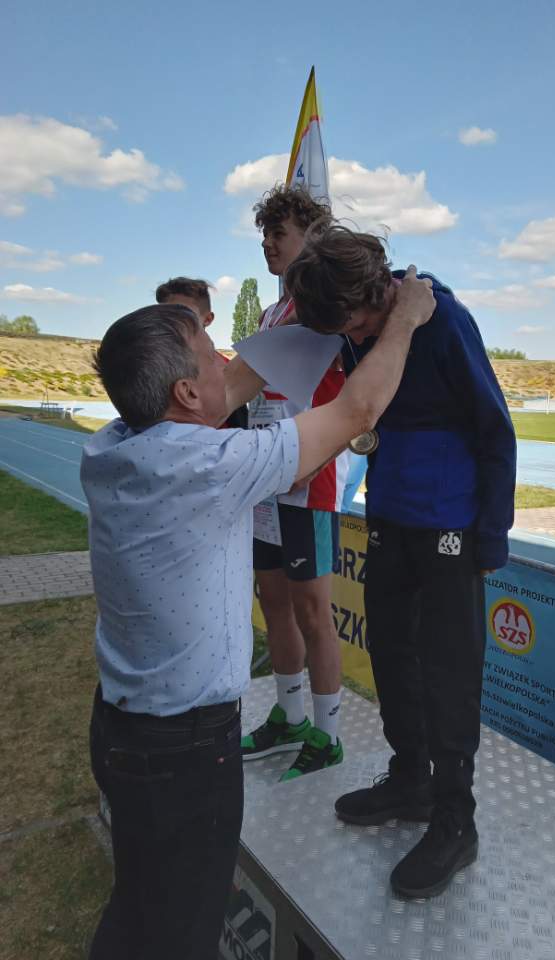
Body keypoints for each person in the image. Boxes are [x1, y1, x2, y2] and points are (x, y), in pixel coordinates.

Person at [82, 272, 434, 958]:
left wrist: (305, 312)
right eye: (210, 355)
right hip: (183, 753)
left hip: (124, 729)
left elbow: (235, 385)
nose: (226, 363)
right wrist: (404, 320)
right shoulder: (211, 465)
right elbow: (357, 410)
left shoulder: (113, 443)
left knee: (143, 903)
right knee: (181, 930)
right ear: (186, 393)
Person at [285, 222, 517, 900]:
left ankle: (456, 820)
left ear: (378, 291)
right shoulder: (355, 327)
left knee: (448, 674)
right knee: (390, 654)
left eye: (356, 325)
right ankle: (411, 780)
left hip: (450, 526)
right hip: (388, 517)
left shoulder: (444, 322)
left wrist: (491, 537)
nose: (353, 339)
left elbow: (495, 429)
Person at [240, 185, 349, 781]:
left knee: (313, 610)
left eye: (278, 233)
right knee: (273, 601)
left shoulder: (325, 309)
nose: (267, 244)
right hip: (267, 478)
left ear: (310, 237)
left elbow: (345, 403)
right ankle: (289, 716)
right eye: (264, 235)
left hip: (310, 482)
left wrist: (310, 459)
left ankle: (327, 736)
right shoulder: (270, 314)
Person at [156, 276, 247, 428]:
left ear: (208, 319)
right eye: (164, 315)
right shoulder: (152, 367)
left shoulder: (226, 368)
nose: (172, 322)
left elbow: (240, 424)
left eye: (183, 315)